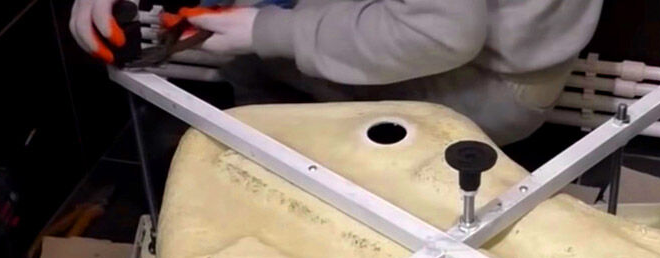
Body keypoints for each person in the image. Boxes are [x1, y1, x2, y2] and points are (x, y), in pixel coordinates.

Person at [70, 0, 603, 144]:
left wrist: (268, 32)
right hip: (488, 40)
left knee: (253, 53)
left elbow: (440, 33)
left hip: (489, 85)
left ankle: (284, 183)